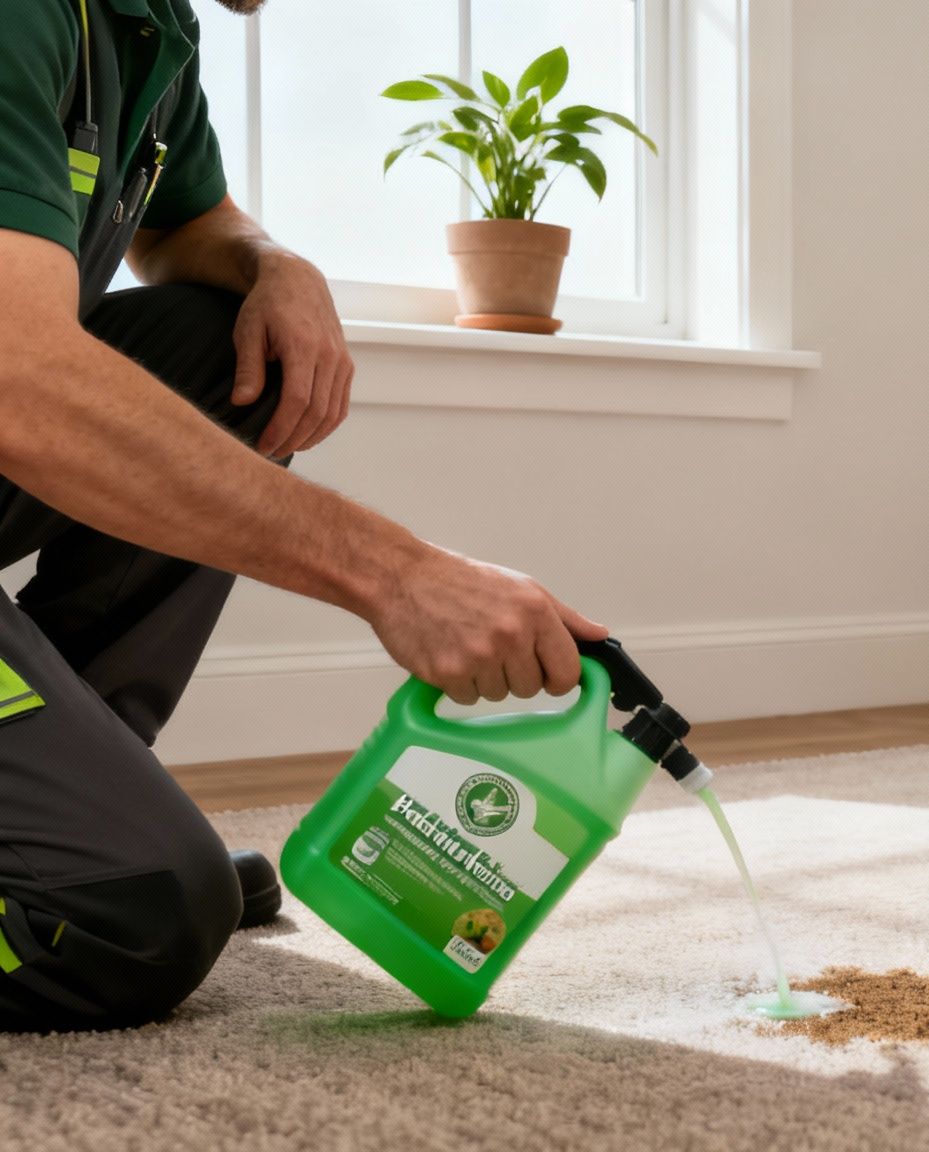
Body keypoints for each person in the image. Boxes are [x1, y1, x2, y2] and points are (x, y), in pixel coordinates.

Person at [0, 0, 605, 1030]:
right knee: (127, 919)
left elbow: (190, 223)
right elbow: (17, 378)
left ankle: (69, 813)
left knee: (223, 347)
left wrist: (271, 263)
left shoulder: (147, 26)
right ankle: (93, 867)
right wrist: (397, 574)